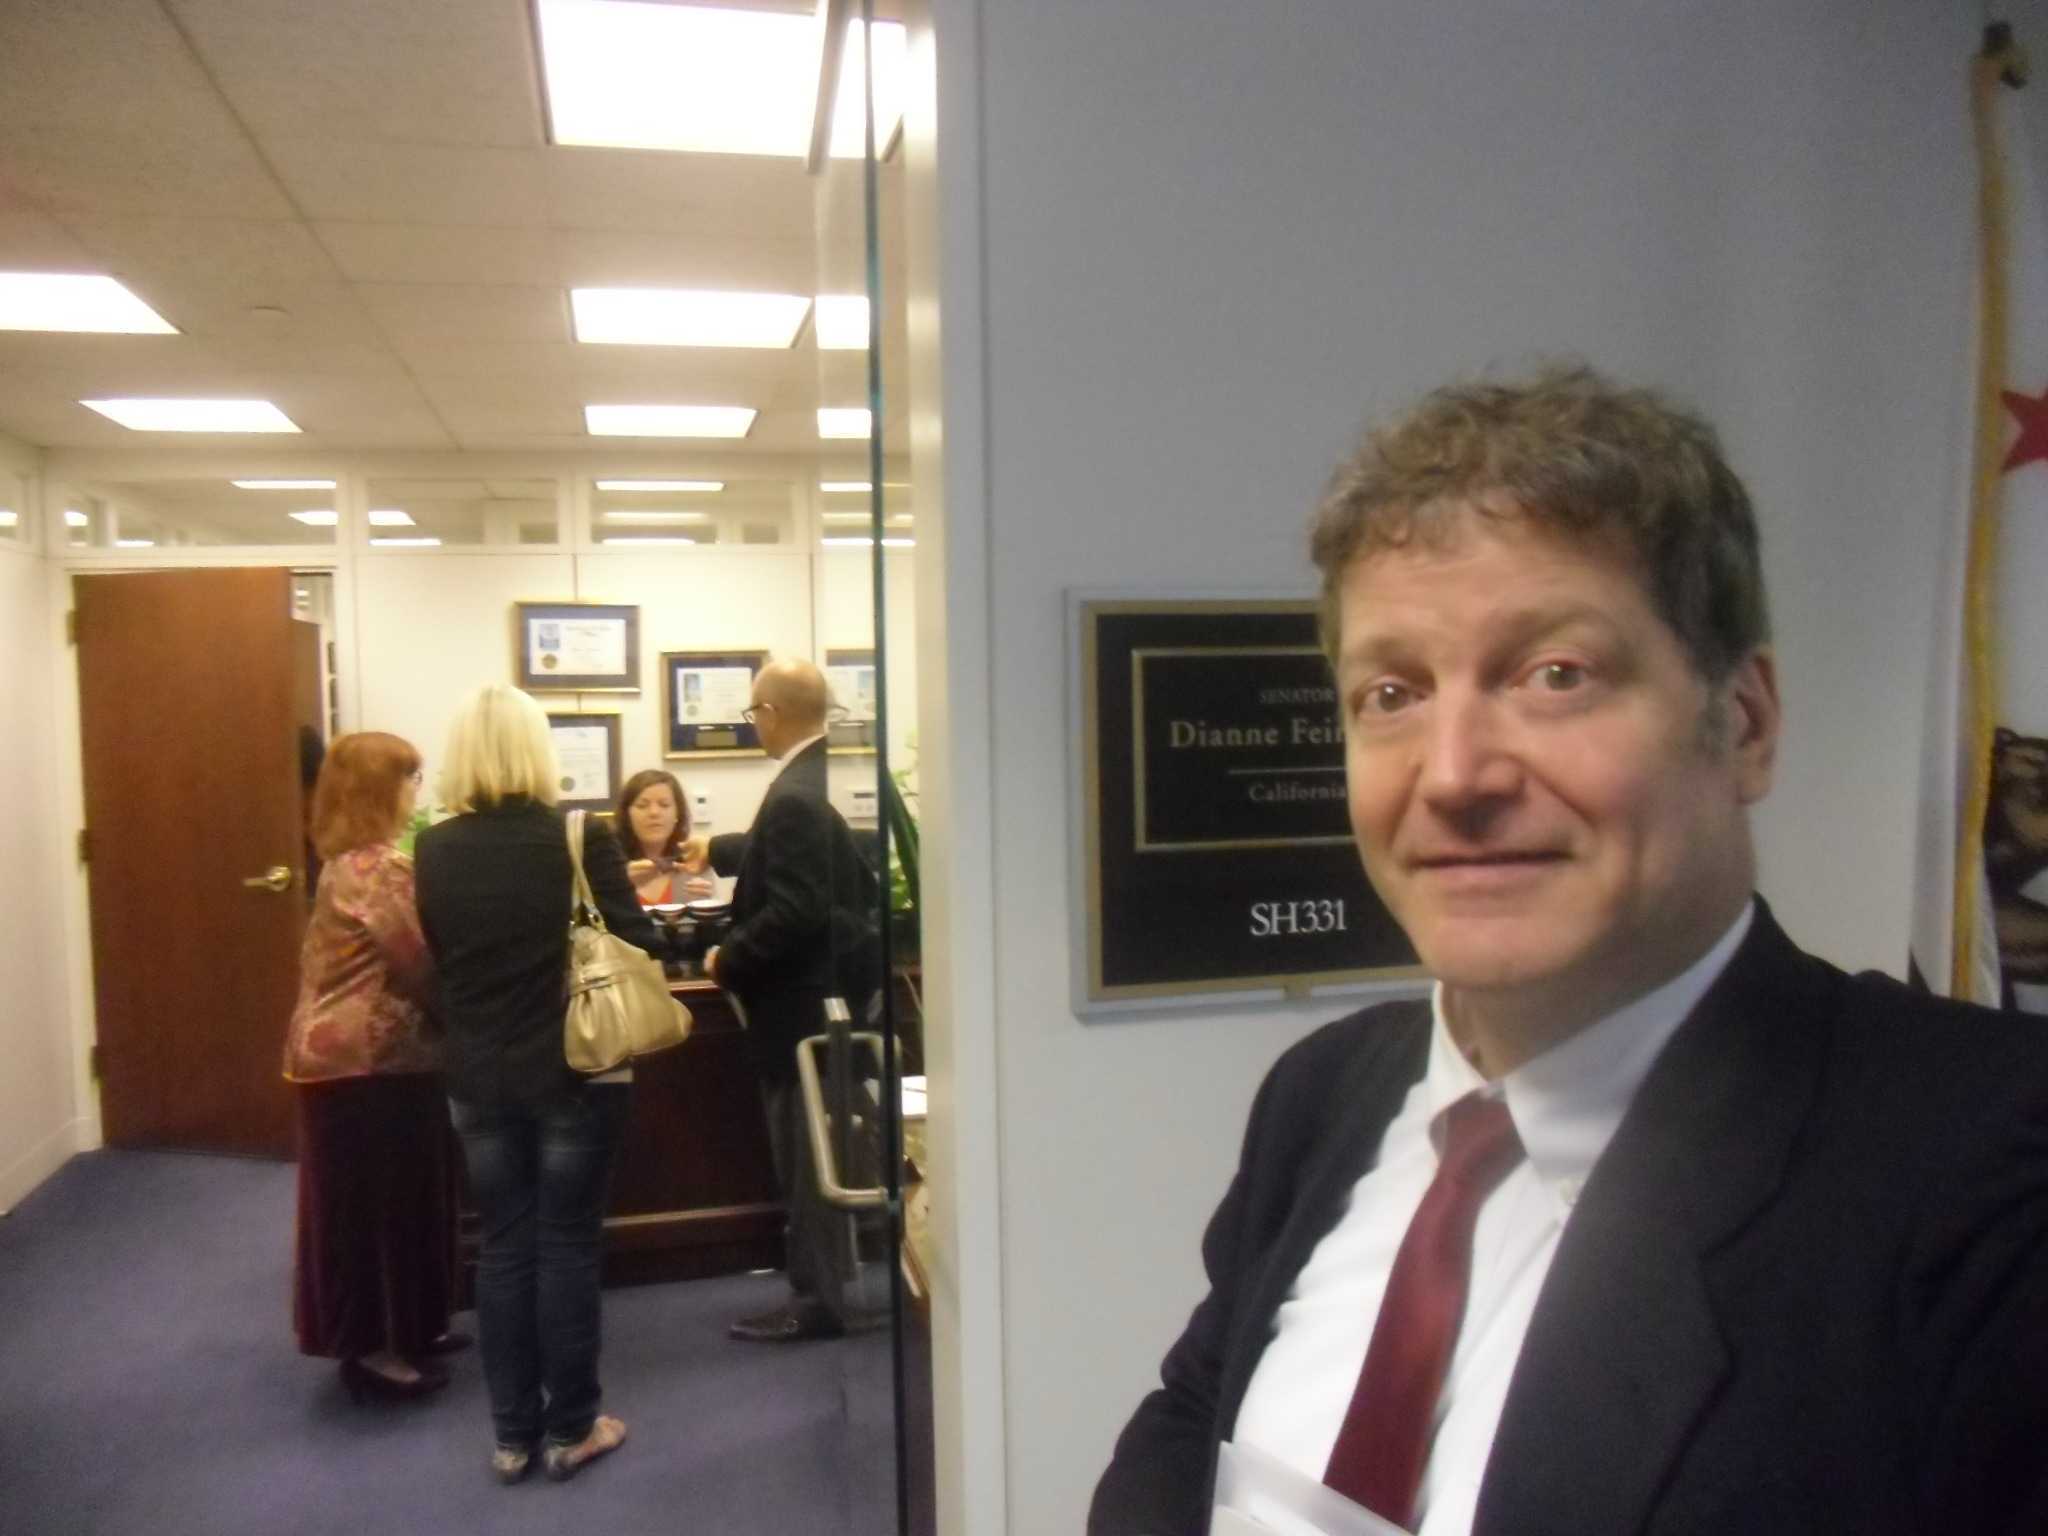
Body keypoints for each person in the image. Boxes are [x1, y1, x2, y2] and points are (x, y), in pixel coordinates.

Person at [1090, 365, 2048, 1536]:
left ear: (1743, 724)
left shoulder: (1991, 1179)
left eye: (1554, 676)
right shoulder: (1322, 1094)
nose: (1452, 775)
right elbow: (1190, 1426)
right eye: (1389, 693)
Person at [414, 684, 662, 1484]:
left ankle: (512, 1437)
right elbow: (638, 939)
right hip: (575, 1071)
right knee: (567, 1244)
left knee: (503, 1246)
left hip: (478, 1076)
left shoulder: (434, 848)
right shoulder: (578, 837)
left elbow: (437, 960)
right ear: (538, 750)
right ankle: (574, 1428)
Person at [679, 658, 878, 1342]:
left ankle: (817, 1301)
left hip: (796, 1011)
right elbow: (801, 859)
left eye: (753, 713)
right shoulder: (819, 778)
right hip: (827, 999)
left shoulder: (794, 793)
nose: (753, 725)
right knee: (816, 1153)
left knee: (805, 1159)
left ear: (771, 712)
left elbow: (795, 909)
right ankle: (823, 1289)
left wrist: (727, 957)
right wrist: (721, 849)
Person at [283, 730, 461, 1401]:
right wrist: (471, 1021)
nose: (417, 791)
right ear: (380, 791)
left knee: (397, 1198)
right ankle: (375, 1348)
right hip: (366, 1065)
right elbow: (419, 966)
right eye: (409, 779)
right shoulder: (382, 870)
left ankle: (409, 1327)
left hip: (356, 1063)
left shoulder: (343, 862)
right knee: (375, 1212)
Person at [613, 767, 714, 907]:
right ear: (627, 816)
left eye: (664, 805)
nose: (654, 813)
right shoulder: (610, 866)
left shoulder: (695, 861)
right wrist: (618, 885)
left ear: (677, 814)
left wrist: (706, 904)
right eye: (642, 806)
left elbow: (717, 917)